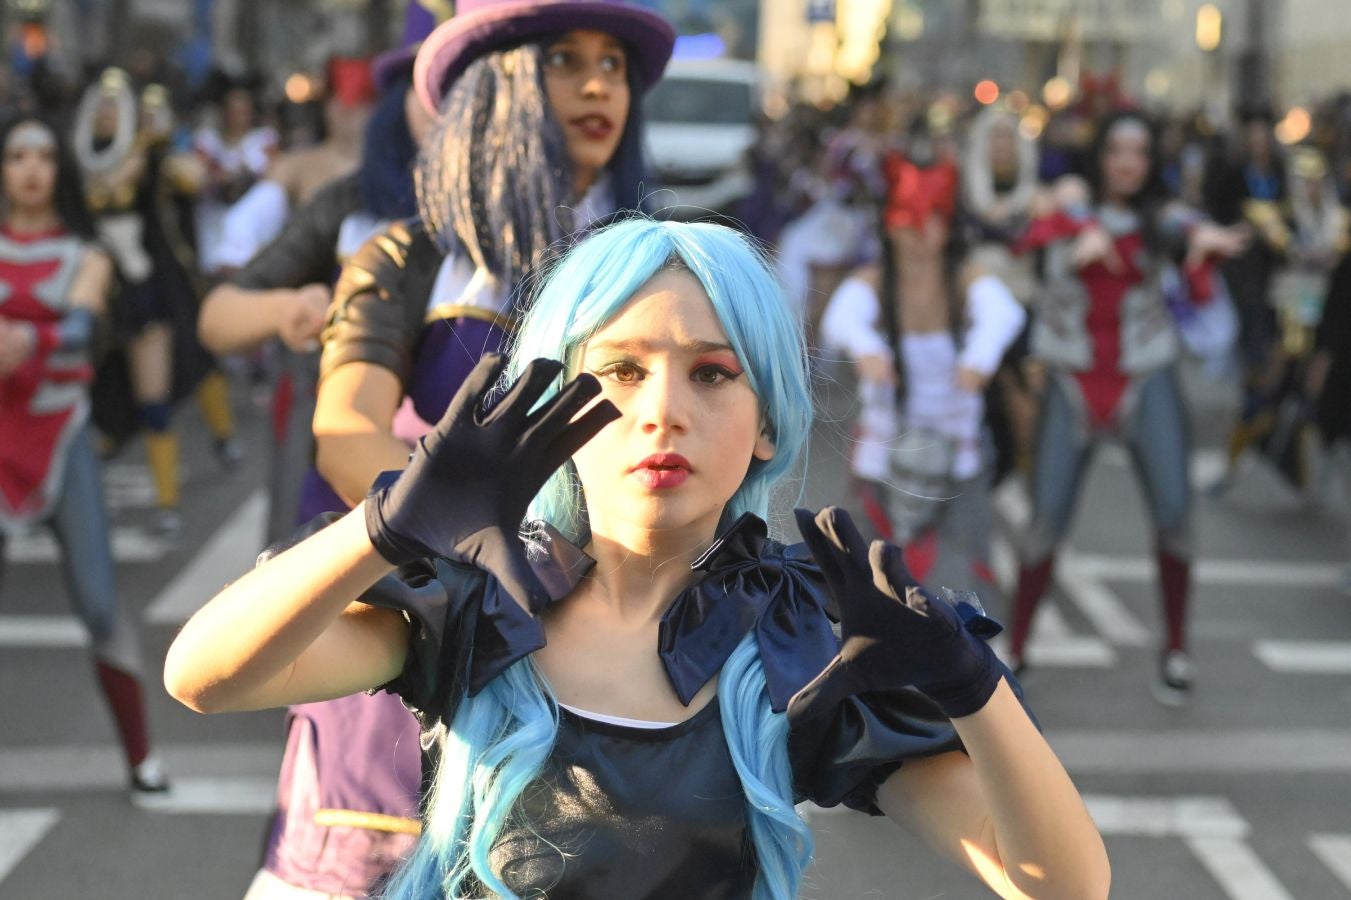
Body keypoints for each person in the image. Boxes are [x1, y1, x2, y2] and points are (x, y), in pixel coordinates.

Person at [165, 216, 1110, 899]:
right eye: (620, 369)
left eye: (712, 373)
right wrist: (382, 526)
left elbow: (1065, 885)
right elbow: (203, 677)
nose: (662, 410)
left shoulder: (794, 642)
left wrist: (970, 687)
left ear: (768, 423)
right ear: (554, 401)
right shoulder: (475, 597)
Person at [213, 2, 676, 896]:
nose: (596, 85)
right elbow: (344, 434)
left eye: (612, 65)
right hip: (418, 627)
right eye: (563, 60)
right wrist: (462, 528)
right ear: (494, 86)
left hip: (588, 637)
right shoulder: (404, 255)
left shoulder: (655, 272)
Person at [1005, 111, 1248, 703]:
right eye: (1117, 149)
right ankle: (1017, 648)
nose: (1128, 162)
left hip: (1144, 376)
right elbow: (1026, 228)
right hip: (1072, 378)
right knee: (1045, 520)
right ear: (1100, 155)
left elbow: (1181, 232)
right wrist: (1082, 222)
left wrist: (1200, 242)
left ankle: (1176, 648)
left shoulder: (1162, 217)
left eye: (1139, 151)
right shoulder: (1066, 203)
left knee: (1175, 513)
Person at [0, 112, 168, 794]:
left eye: (43, 156)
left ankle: (141, 758)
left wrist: (27, 341)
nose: (31, 169)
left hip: (61, 433)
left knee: (100, 605)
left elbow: (78, 327)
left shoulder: (86, 253)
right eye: (17, 155)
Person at [822, 135, 1026, 609]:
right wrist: (866, 347)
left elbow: (1003, 312)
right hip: (884, 453)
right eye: (909, 219)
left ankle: (968, 649)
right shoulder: (877, 281)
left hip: (957, 452)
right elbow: (840, 317)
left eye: (934, 219)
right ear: (890, 224)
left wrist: (979, 357)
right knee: (862, 580)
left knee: (963, 582)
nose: (921, 233)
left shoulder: (963, 279)